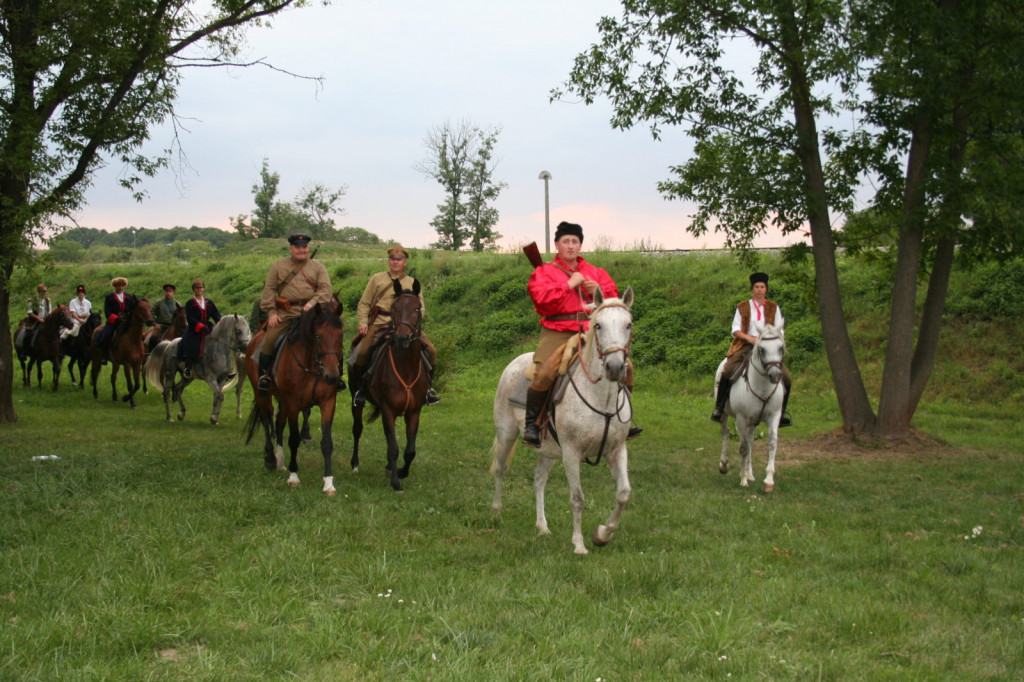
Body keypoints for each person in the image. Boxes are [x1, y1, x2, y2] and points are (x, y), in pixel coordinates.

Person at [523, 221, 641, 448]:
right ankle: (532, 424)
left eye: (574, 242)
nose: (570, 246)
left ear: (580, 245)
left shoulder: (596, 272)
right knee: (544, 371)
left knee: (627, 368)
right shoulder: (544, 272)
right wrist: (568, 285)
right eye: (565, 241)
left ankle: (624, 418)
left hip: (590, 330)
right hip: (557, 331)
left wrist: (599, 289)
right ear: (557, 244)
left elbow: (614, 304)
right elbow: (541, 301)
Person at [350, 244, 440, 407]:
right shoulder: (377, 279)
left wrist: (413, 326)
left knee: (432, 351)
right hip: (380, 324)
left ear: (405, 262)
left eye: (399, 259)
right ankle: (359, 391)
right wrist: (363, 323)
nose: (395, 262)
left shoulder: (412, 282)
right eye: (393, 259)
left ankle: (428, 390)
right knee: (361, 353)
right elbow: (364, 303)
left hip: (406, 326)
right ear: (389, 260)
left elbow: (421, 308)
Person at [711, 272, 793, 427]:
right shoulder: (743, 307)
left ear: (766, 289)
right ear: (752, 289)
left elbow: (779, 331)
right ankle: (719, 407)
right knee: (727, 370)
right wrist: (749, 338)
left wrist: (770, 340)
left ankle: (781, 413)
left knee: (787, 377)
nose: (759, 290)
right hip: (746, 344)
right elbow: (735, 329)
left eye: (762, 287)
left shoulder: (773, 308)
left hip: (767, 346)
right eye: (756, 287)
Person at [256, 233, 333, 393]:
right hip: (286, 313)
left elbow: (326, 289)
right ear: (291, 248)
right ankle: (264, 377)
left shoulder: (318, 267)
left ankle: (334, 375)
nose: (302, 250)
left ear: (308, 248)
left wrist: (313, 303)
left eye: (304, 247)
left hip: (311, 314)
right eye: (298, 247)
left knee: (329, 338)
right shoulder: (278, 266)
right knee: (269, 340)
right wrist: (271, 313)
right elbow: (269, 290)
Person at [177, 280, 222, 379]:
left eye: (201, 287)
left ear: (203, 289)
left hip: (208, 327)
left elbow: (216, 314)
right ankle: (188, 368)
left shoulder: (209, 302)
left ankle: (222, 369)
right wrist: (200, 326)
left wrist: (219, 323)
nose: (199, 289)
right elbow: (190, 317)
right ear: (194, 289)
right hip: (195, 328)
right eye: (197, 288)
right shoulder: (190, 303)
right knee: (192, 344)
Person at [94, 277, 137, 362]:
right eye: (118, 285)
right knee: (104, 336)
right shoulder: (109, 297)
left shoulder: (129, 297)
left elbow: (132, 309)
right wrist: (117, 318)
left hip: (126, 321)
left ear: (124, 286)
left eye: (121, 285)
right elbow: (108, 312)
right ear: (115, 286)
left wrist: (128, 318)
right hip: (114, 322)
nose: (120, 287)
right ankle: (104, 355)